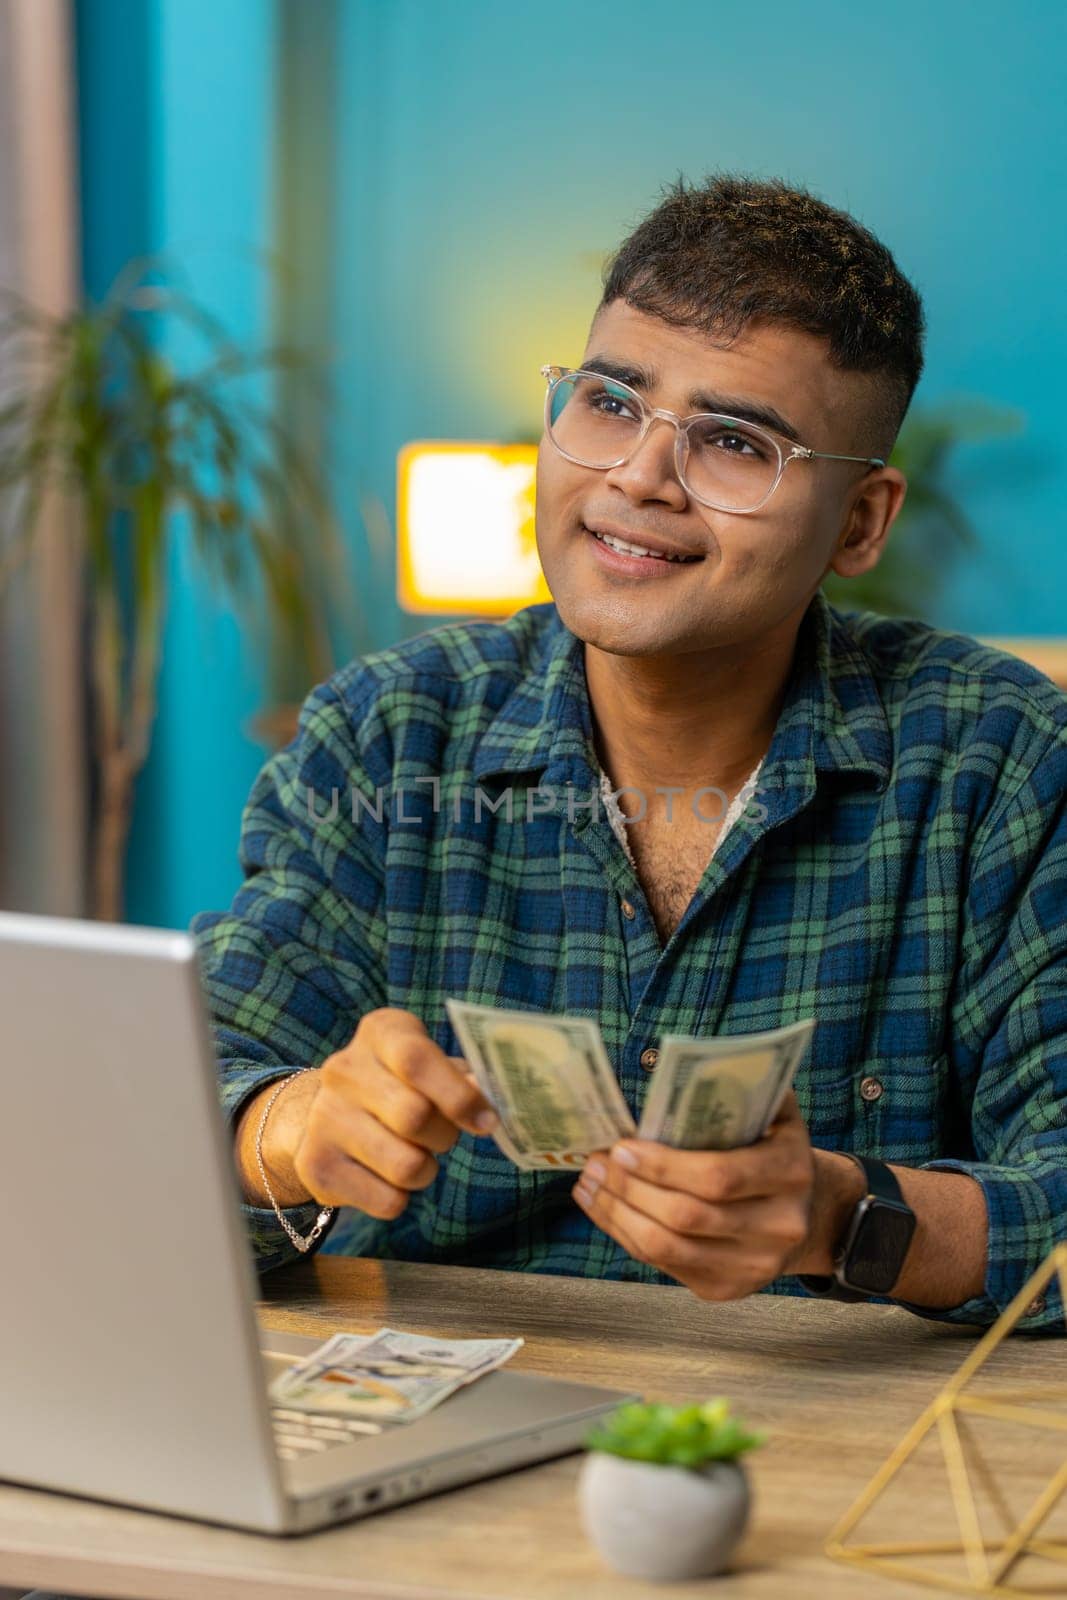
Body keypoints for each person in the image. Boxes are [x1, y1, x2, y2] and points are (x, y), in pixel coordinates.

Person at [191, 171, 1067, 1332]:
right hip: (427, 1437)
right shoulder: (381, 738)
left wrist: (842, 1216)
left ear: (858, 522)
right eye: (608, 402)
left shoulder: (1001, 762)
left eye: (735, 443)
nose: (639, 480)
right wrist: (292, 1130)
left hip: (826, 1458)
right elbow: (164, 1112)